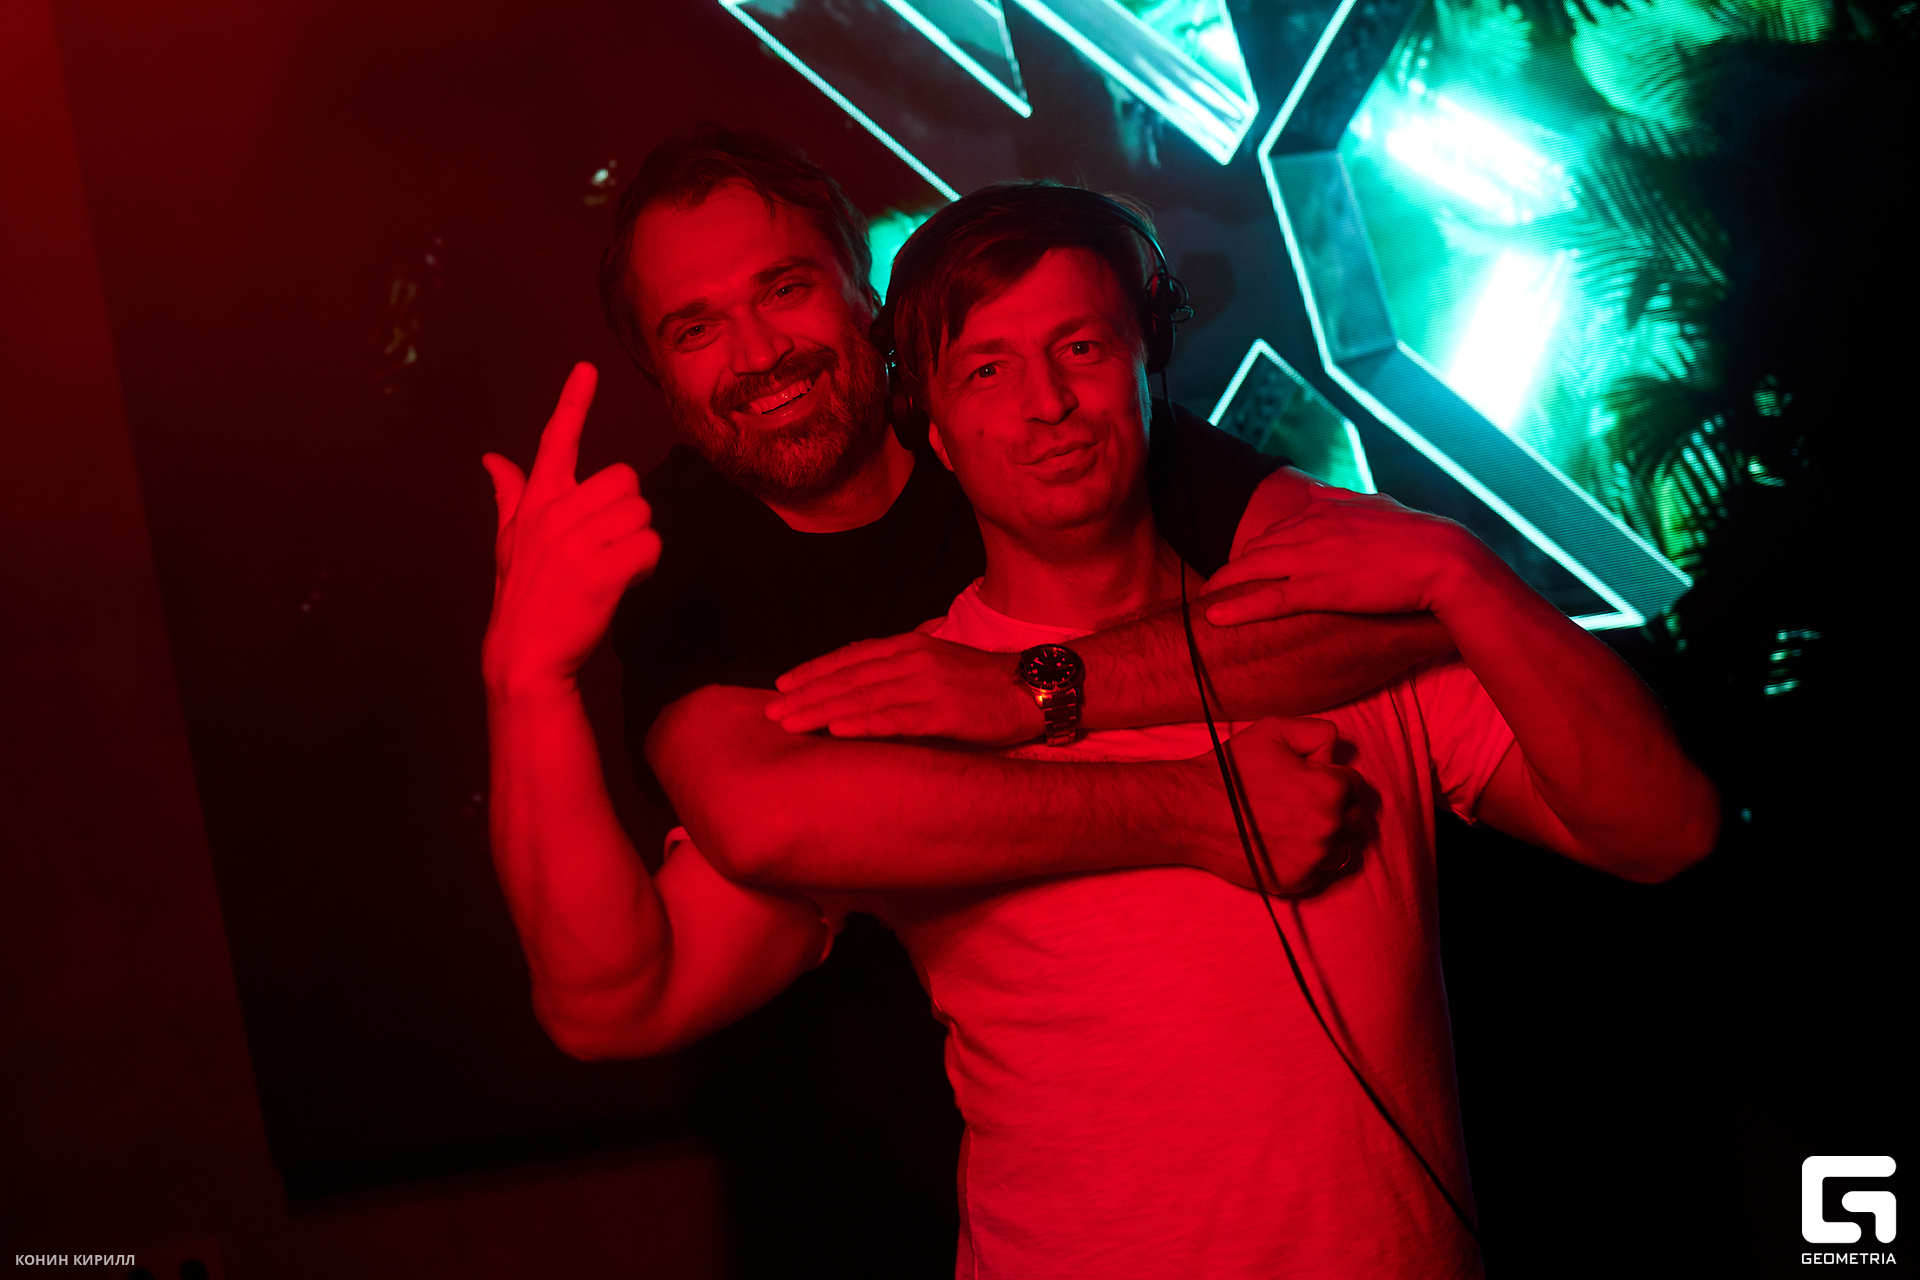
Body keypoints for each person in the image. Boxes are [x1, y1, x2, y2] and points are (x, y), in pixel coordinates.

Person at [647, 181, 1721, 1276]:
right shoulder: (907, 698)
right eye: (988, 371)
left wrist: (1463, 571)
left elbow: (1665, 829)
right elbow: (637, 990)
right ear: (936, 431)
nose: (1047, 404)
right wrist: (546, 679)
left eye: (1081, 348)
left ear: (1146, 369)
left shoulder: (1335, 637)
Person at [480, 127, 1451, 1274]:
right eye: (695, 328)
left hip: (1293, 1169)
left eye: (784, 288)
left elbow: (1407, 604)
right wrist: (525, 682)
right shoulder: (681, 552)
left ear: (866, 291)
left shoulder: (1024, 415)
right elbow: (670, 929)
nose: (759, 353)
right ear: (657, 370)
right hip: (931, 1197)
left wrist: (1026, 688)